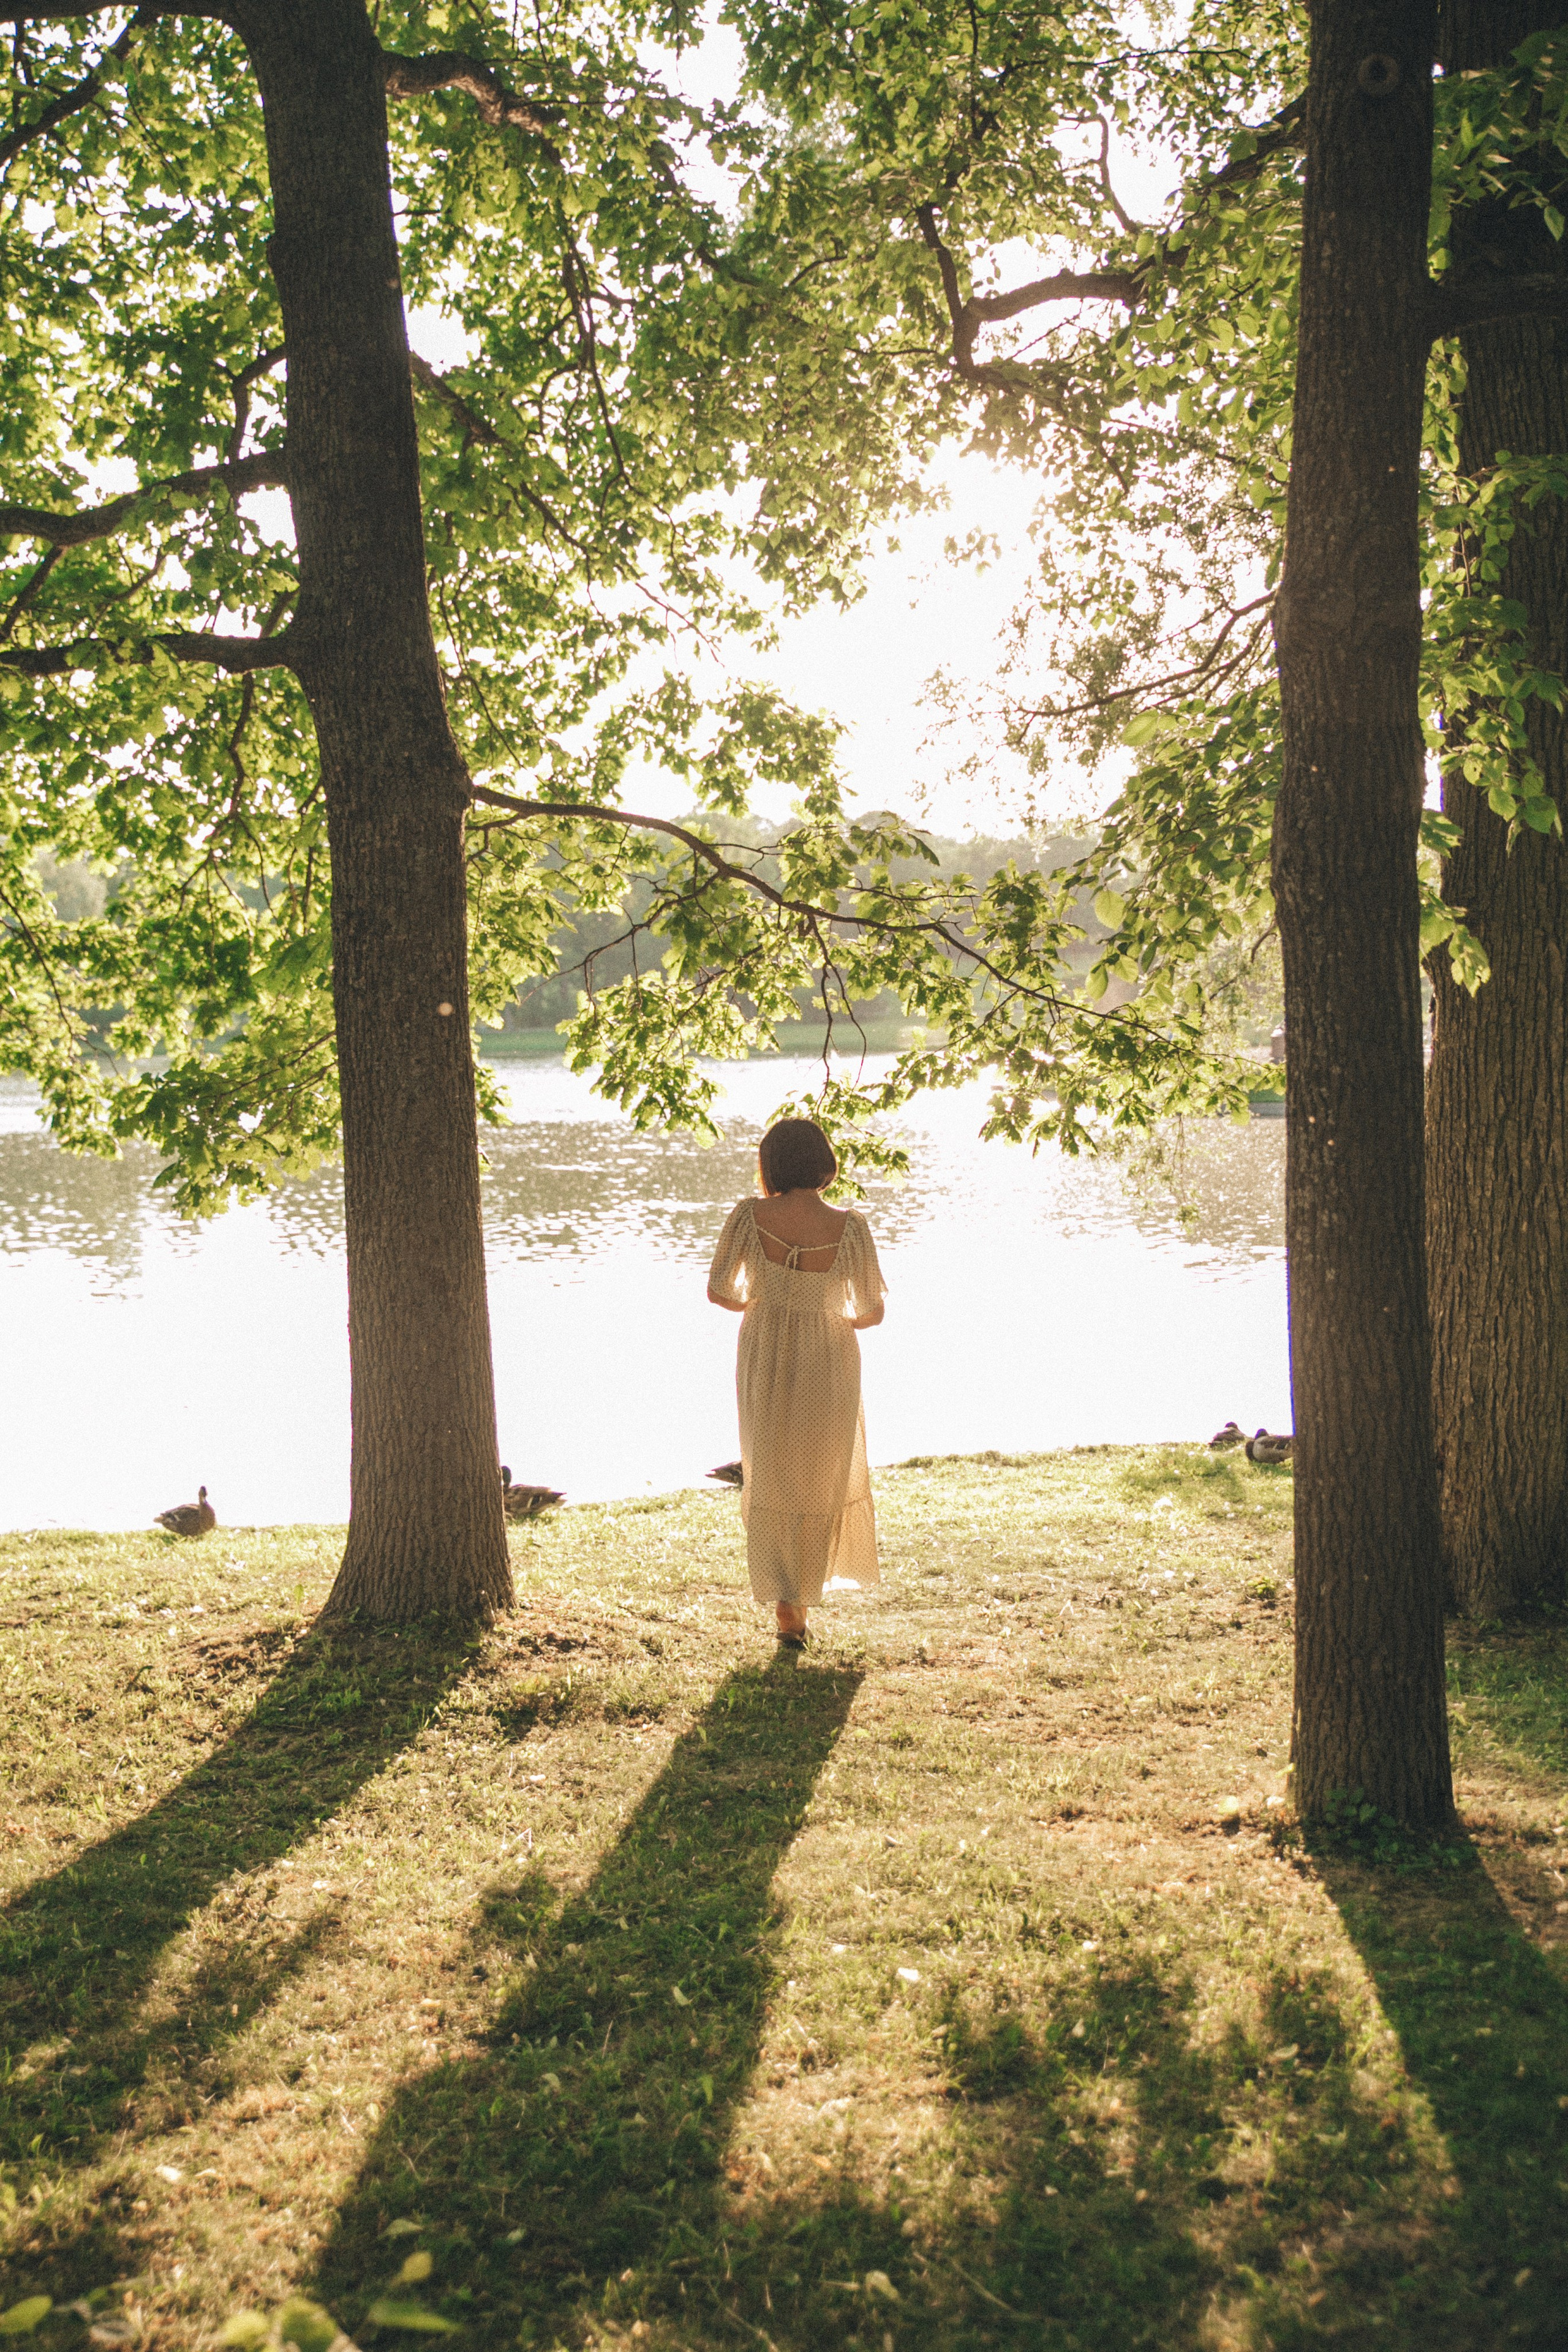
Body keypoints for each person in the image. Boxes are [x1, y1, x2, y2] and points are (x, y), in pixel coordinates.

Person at [706, 1117, 886, 1646]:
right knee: (821, 1472)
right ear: (823, 1163)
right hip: (830, 1356)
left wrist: (764, 1305)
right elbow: (872, 1310)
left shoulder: (748, 1215)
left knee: (769, 1469)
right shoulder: (851, 1226)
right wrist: (832, 1317)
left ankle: (787, 1607)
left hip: (764, 1349)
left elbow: (719, 1290)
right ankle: (803, 1596)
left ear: (771, 1165)